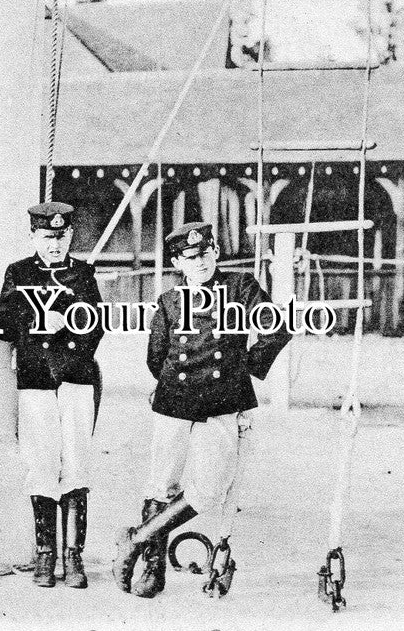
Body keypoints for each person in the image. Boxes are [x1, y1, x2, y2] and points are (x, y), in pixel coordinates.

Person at [114, 222, 291, 598]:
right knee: (162, 483)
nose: (202, 262)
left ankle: (137, 537)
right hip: (174, 401)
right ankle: (152, 567)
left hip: (222, 402)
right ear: (178, 261)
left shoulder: (240, 287)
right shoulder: (169, 300)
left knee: (210, 489)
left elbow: (278, 328)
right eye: (192, 257)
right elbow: (156, 356)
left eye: (207, 252)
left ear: (216, 251)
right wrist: (169, 386)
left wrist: (242, 371)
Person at [0, 202, 103, 589]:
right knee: (41, 464)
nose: (55, 244)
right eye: (47, 237)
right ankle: (46, 555)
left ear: (70, 236)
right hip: (36, 378)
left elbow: (97, 326)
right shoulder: (19, 273)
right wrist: (40, 321)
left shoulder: (83, 274)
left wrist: (71, 324)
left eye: (61, 237)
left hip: (76, 377)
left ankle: (74, 558)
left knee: (76, 462)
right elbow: (3, 325)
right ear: (33, 237)